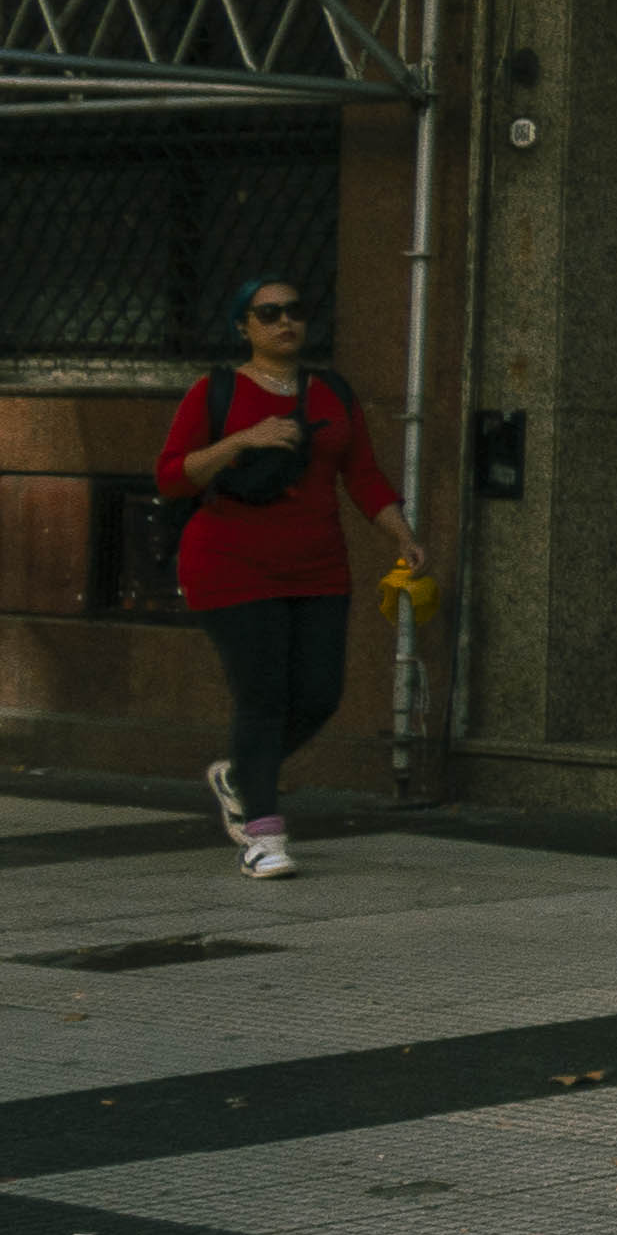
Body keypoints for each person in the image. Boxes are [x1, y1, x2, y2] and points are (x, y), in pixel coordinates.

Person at [153, 276, 416, 878]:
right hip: (230, 564)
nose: (284, 322)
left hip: (318, 566)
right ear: (243, 326)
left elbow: (363, 474)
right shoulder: (215, 391)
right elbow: (171, 475)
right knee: (263, 697)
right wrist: (244, 439)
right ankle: (263, 838)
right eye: (268, 313)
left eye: (294, 311)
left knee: (321, 694)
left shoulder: (333, 393)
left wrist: (401, 533)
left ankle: (241, 775)